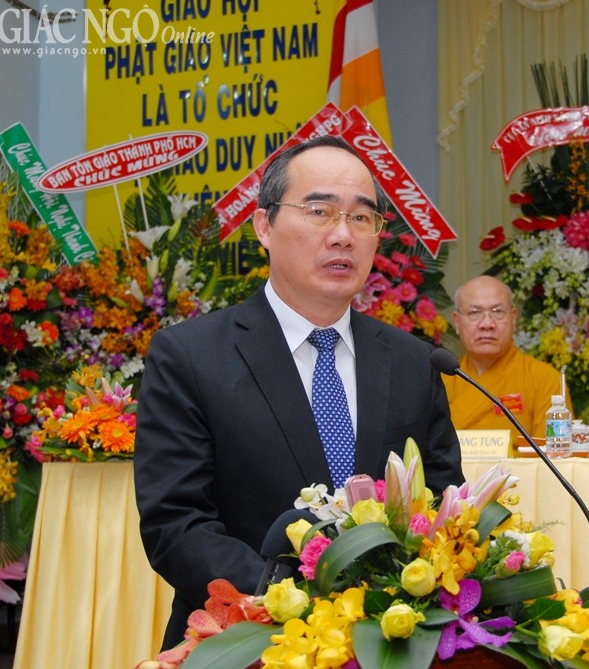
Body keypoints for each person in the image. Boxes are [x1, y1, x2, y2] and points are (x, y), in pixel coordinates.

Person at [134, 135, 464, 650]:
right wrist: (300, 597)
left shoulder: (415, 361)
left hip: (390, 641)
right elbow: (176, 524)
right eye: (319, 211)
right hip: (245, 639)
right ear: (264, 226)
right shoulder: (190, 356)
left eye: (362, 218)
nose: (342, 235)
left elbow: (445, 504)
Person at [441, 275, 569, 446]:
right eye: (474, 313)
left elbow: (554, 458)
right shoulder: (441, 381)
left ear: (513, 318)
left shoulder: (545, 380)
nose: (487, 323)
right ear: (457, 322)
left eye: (497, 312)